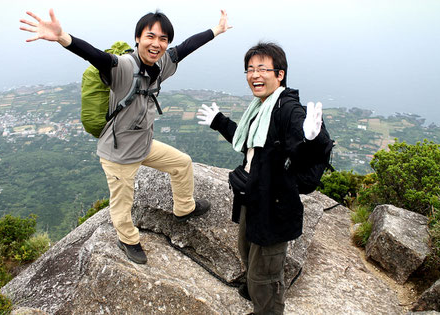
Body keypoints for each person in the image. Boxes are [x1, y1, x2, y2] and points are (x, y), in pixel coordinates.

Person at [20, 9, 231, 264]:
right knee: (122, 203)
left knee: (182, 163)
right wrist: (64, 37)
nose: (156, 43)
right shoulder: (123, 67)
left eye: (163, 39)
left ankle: (184, 208)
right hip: (118, 154)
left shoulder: (161, 64)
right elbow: (96, 56)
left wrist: (216, 31)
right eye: (150, 36)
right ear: (138, 38)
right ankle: (128, 240)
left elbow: (186, 47)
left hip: (143, 145)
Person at [196, 42, 329, 314]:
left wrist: (313, 138)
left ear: (279, 75)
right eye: (250, 69)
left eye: (262, 69)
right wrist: (219, 121)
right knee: (246, 249)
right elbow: (249, 142)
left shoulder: (287, 108)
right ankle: (254, 289)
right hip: (254, 197)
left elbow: (309, 144)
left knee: (264, 275)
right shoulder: (261, 107)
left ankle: (265, 305)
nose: (254, 75)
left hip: (275, 206)